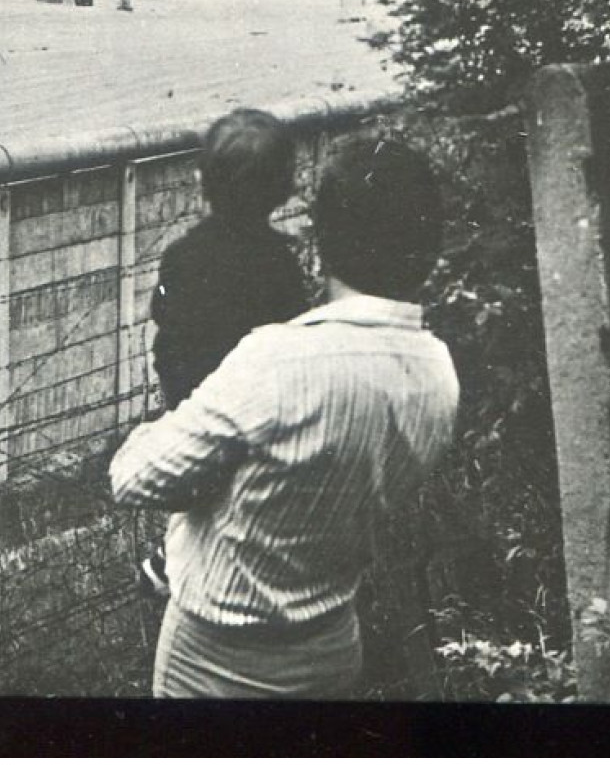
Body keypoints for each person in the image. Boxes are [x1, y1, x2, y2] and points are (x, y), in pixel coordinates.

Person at [110, 133, 459, 699]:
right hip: (331, 638)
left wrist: (147, 435)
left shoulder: (278, 359)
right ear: (429, 248)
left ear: (321, 242)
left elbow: (135, 477)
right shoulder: (438, 371)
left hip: (218, 656)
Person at [137, 108, 311, 594]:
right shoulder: (282, 265)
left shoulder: (184, 257)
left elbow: (166, 331)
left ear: (202, 183)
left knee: (202, 506)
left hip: (197, 408)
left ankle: (179, 563)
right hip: (264, 419)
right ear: (283, 189)